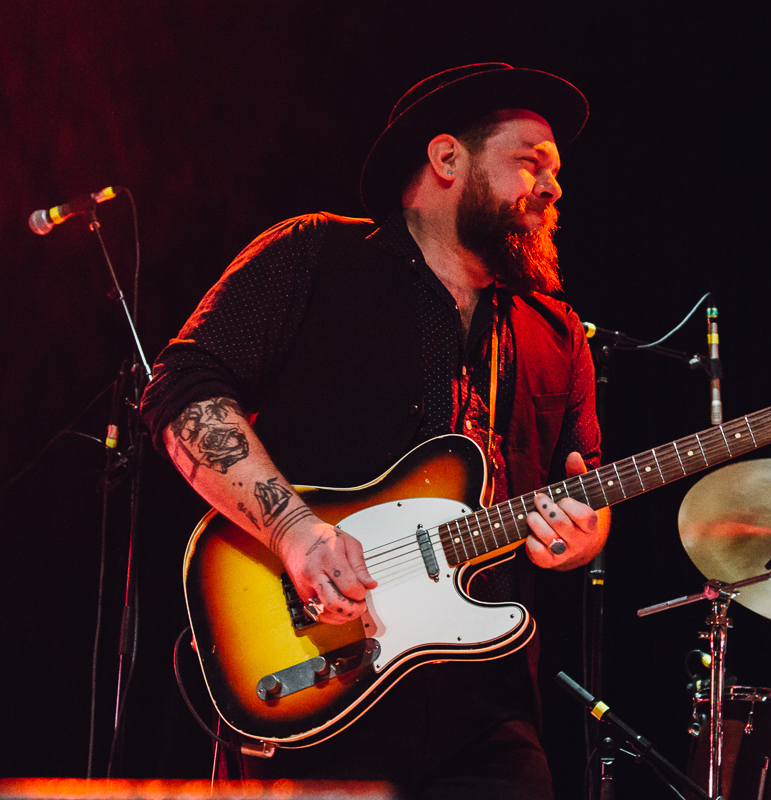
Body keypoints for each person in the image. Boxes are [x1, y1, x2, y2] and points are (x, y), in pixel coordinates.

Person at [140, 64, 609, 799]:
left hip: (485, 709)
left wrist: (586, 531)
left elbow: (579, 484)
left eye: (555, 172)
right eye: (530, 163)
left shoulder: (556, 334)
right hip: (317, 677)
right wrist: (299, 533)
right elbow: (181, 389)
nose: (553, 189)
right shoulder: (314, 258)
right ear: (447, 158)